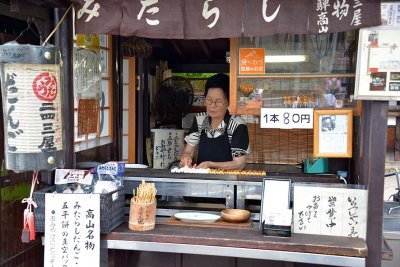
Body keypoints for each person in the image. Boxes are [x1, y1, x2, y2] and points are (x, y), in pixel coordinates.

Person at [179, 73, 250, 170]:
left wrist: (211, 165)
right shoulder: (200, 120)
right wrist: (186, 158)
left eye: (218, 101)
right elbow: (188, 151)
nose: (212, 105)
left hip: (229, 181)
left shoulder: (237, 125)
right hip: (203, 181)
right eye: (209, 100)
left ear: (228, 101)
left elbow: (239, 163)